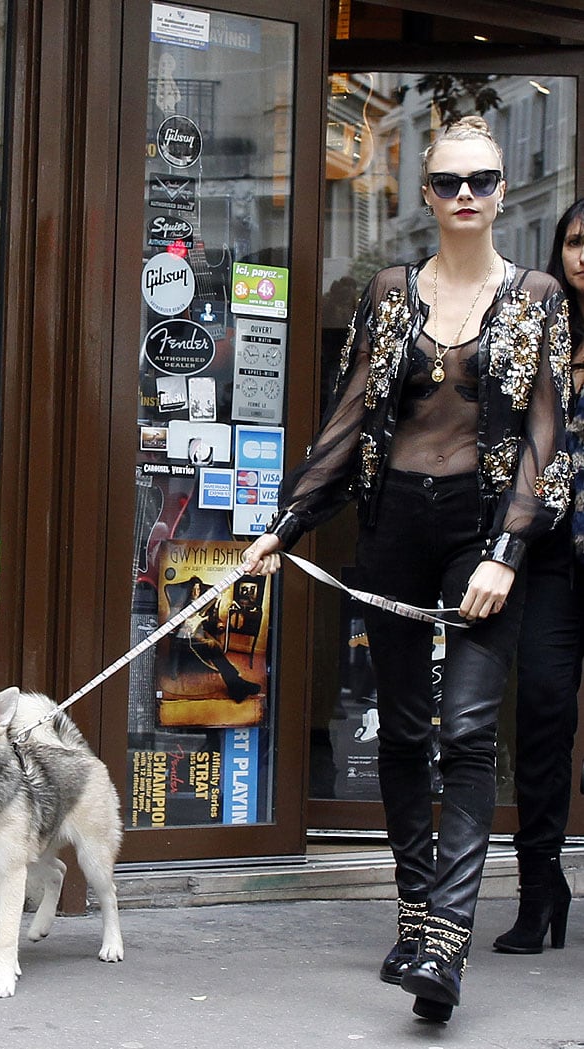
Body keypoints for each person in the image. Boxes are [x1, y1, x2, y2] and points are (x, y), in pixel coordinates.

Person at [244, 116, 571, 1023]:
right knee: (402, 732)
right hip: (394, 528)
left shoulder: (539, 295)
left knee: (466, 731)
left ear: (504, 191)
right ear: (424, 196)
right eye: (446, 182)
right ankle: (416, 908)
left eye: (483, 179)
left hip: (483, 528)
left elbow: (550, 439)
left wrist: (509, 550)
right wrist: (288, 525)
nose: (465, 195)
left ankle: (445, 947)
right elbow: (348, 421)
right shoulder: (390, 294)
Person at [493, 198, 584, 955]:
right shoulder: (548, 333)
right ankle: (538, 887)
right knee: (543, 715)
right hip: (553, 562)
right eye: (576, 241)